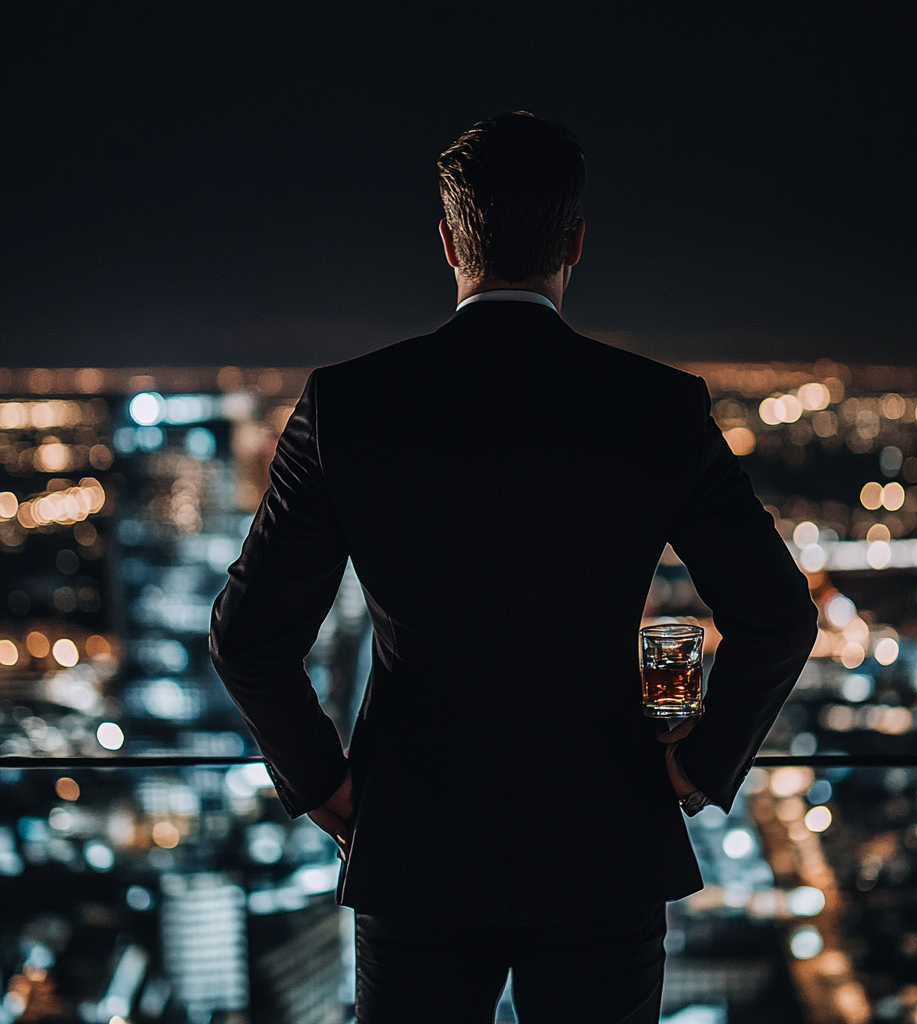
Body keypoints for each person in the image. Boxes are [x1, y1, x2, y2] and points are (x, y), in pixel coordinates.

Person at [210, 111, 818, 1024]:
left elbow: (248, 638)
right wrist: (696, 766)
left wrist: (329, 789)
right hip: (605, 848)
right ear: (576, 242)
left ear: (448, 241)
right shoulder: (657, 408)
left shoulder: (350, 407)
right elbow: (779, 614)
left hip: (414, 849)